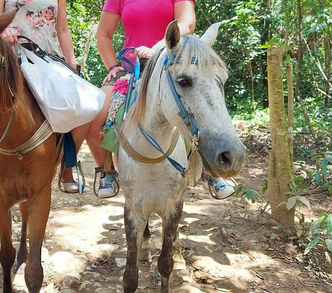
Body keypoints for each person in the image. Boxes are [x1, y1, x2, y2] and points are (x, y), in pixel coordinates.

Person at [86, 0, 235, 199]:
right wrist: (113, 67)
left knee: (203, 106)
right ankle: (106, 170)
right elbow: (103, 34)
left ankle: (211, 171)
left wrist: (157, 48)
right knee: (97, 112)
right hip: (135, 69)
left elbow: (186, 24)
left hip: (172, 65)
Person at [0, 0, 87, 195]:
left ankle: (67, 164)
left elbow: (63, 29)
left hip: (49, 57)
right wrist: (2, 30)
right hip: (11, 57)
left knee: (83, 103)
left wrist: (72, 64)